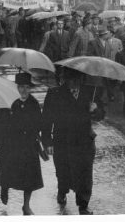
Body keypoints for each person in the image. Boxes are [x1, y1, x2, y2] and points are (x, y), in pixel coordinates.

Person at [42, 68, 96, 215]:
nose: (73, 83)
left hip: (85, 141)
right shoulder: (55, 94)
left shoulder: (90, 92)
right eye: (69, 79)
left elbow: (101, 114)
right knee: (63, 171)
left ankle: (83, 205)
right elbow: (46, 120)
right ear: (64, 79)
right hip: (62, 141)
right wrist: (47, 142)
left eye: (76, 79)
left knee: (85, 173)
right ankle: (62, 190)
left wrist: (95, 110)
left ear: (80, 79)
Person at [0, 73, 43, 215]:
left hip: (28, 144)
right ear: (16, 87)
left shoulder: (34, 104)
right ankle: (4, 187)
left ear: (30, 88)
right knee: (7, 170)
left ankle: (26, 205)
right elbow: (0, 123)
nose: (23, 90)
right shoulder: (8, 102)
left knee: (29, 176)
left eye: (26, 87)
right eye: (21, 87)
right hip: (10, 144)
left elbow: (39, 124)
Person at [86, 26, 112, 120]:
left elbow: (108, 56)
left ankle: (99, 112)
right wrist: (98, 60)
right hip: (95, 72)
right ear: (103, 35)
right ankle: (92, 111)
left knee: (101, 91)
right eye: (107, 33)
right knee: (94, 92)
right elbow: (89, 56)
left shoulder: (108, 43)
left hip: (104, 71)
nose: (108, 34)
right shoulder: (92, 43)